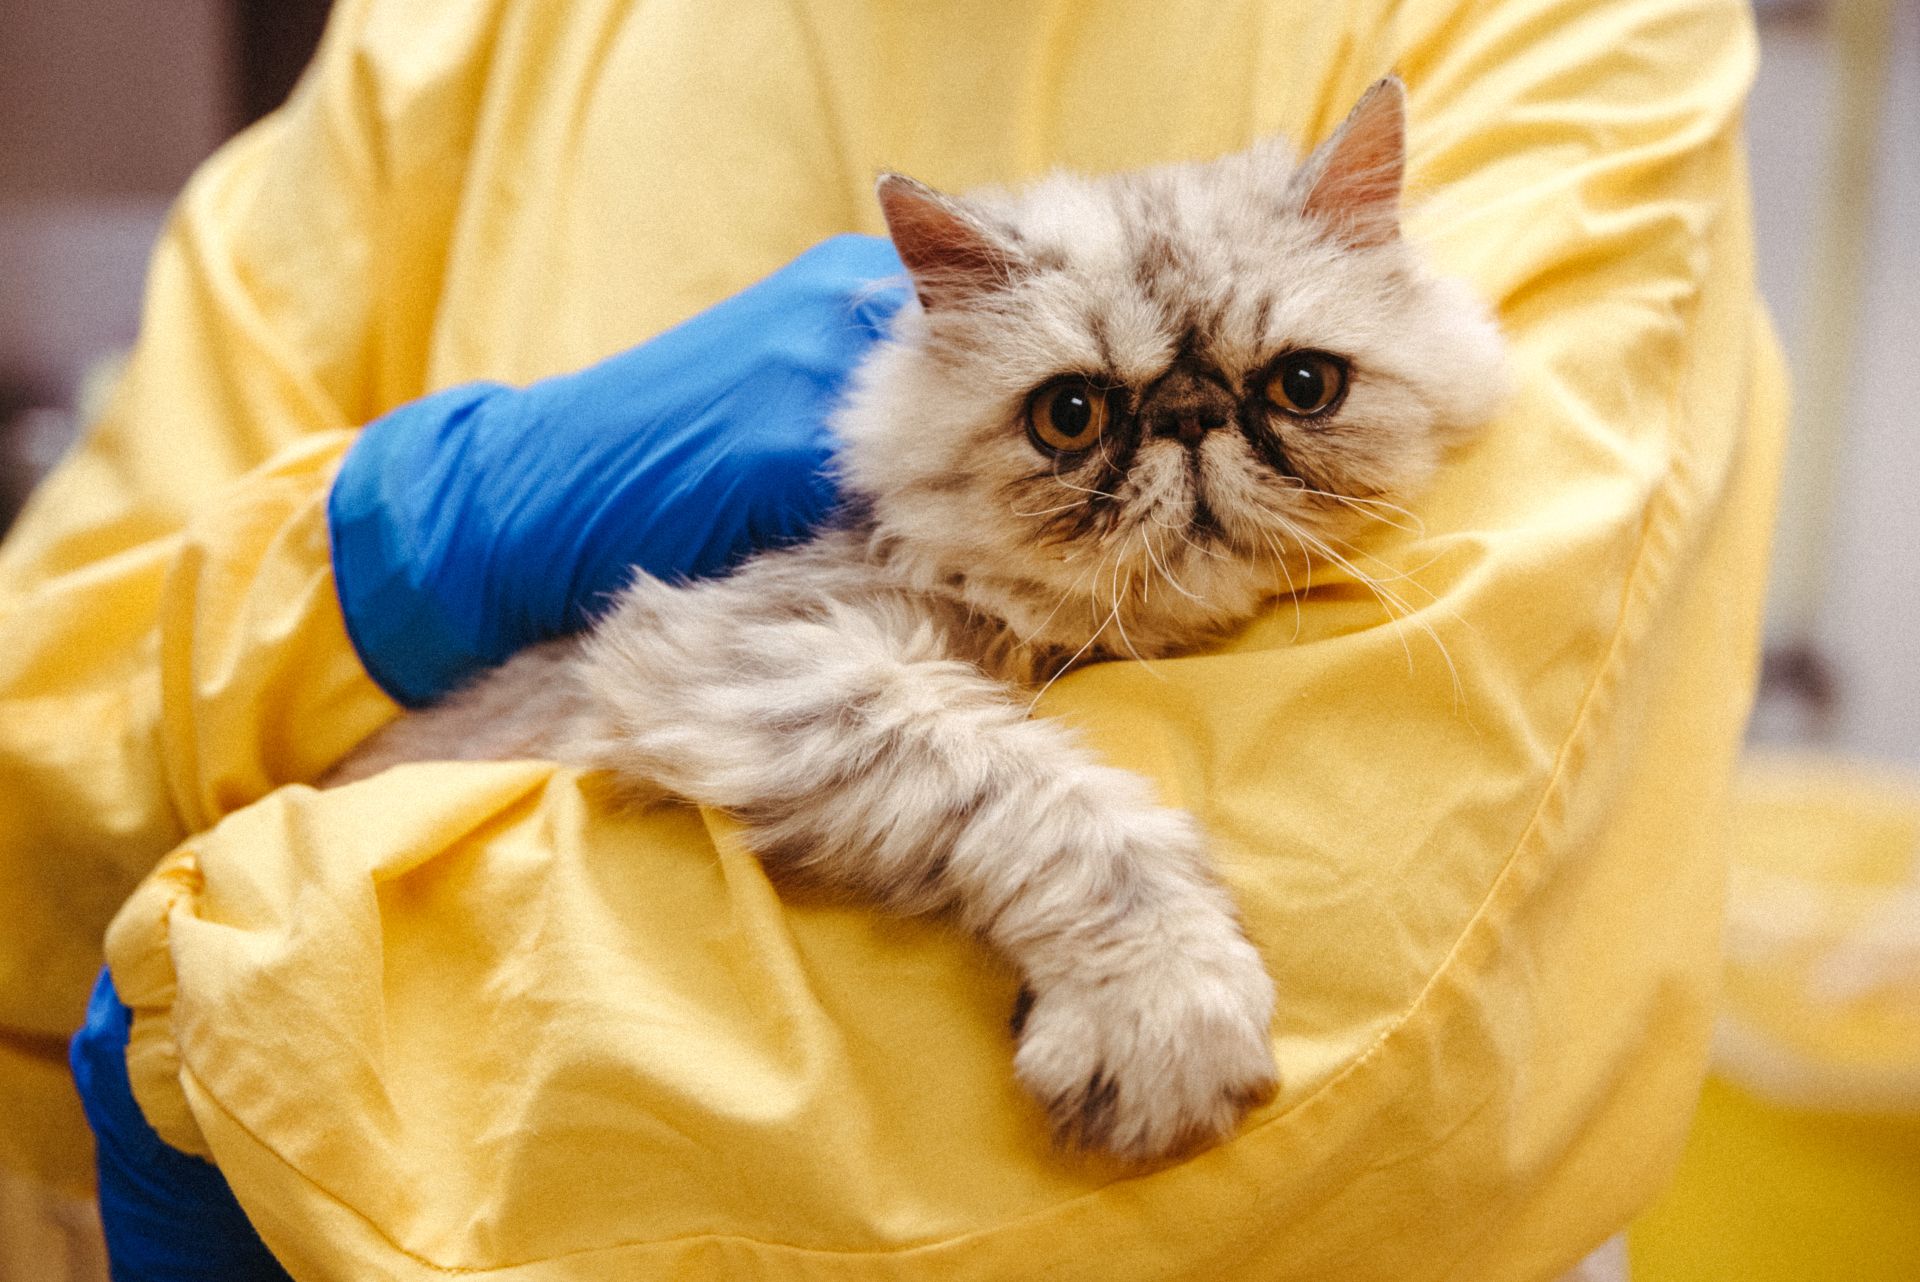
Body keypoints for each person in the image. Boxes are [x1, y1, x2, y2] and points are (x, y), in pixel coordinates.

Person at [0, 1, 1783, 1278]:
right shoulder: (453, 37)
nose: (1192, 461)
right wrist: (397, 540)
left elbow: (1409, 923)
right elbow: (41, 713)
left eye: (1296, 389)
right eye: (1084, 421)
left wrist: (300, 1023)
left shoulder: (1578, 33)